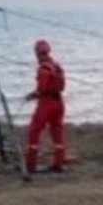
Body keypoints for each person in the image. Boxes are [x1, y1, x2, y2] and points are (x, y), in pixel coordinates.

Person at [24, 38, 67, 173]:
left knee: (34, 132)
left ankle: (31, 165)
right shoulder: (57, 66)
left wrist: (31, 95)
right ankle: (58, 163)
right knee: (57, 133)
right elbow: (62, 86)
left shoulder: (43, 68)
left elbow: (41, 89)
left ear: (37, 53)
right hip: (59, 103)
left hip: (46, 103)